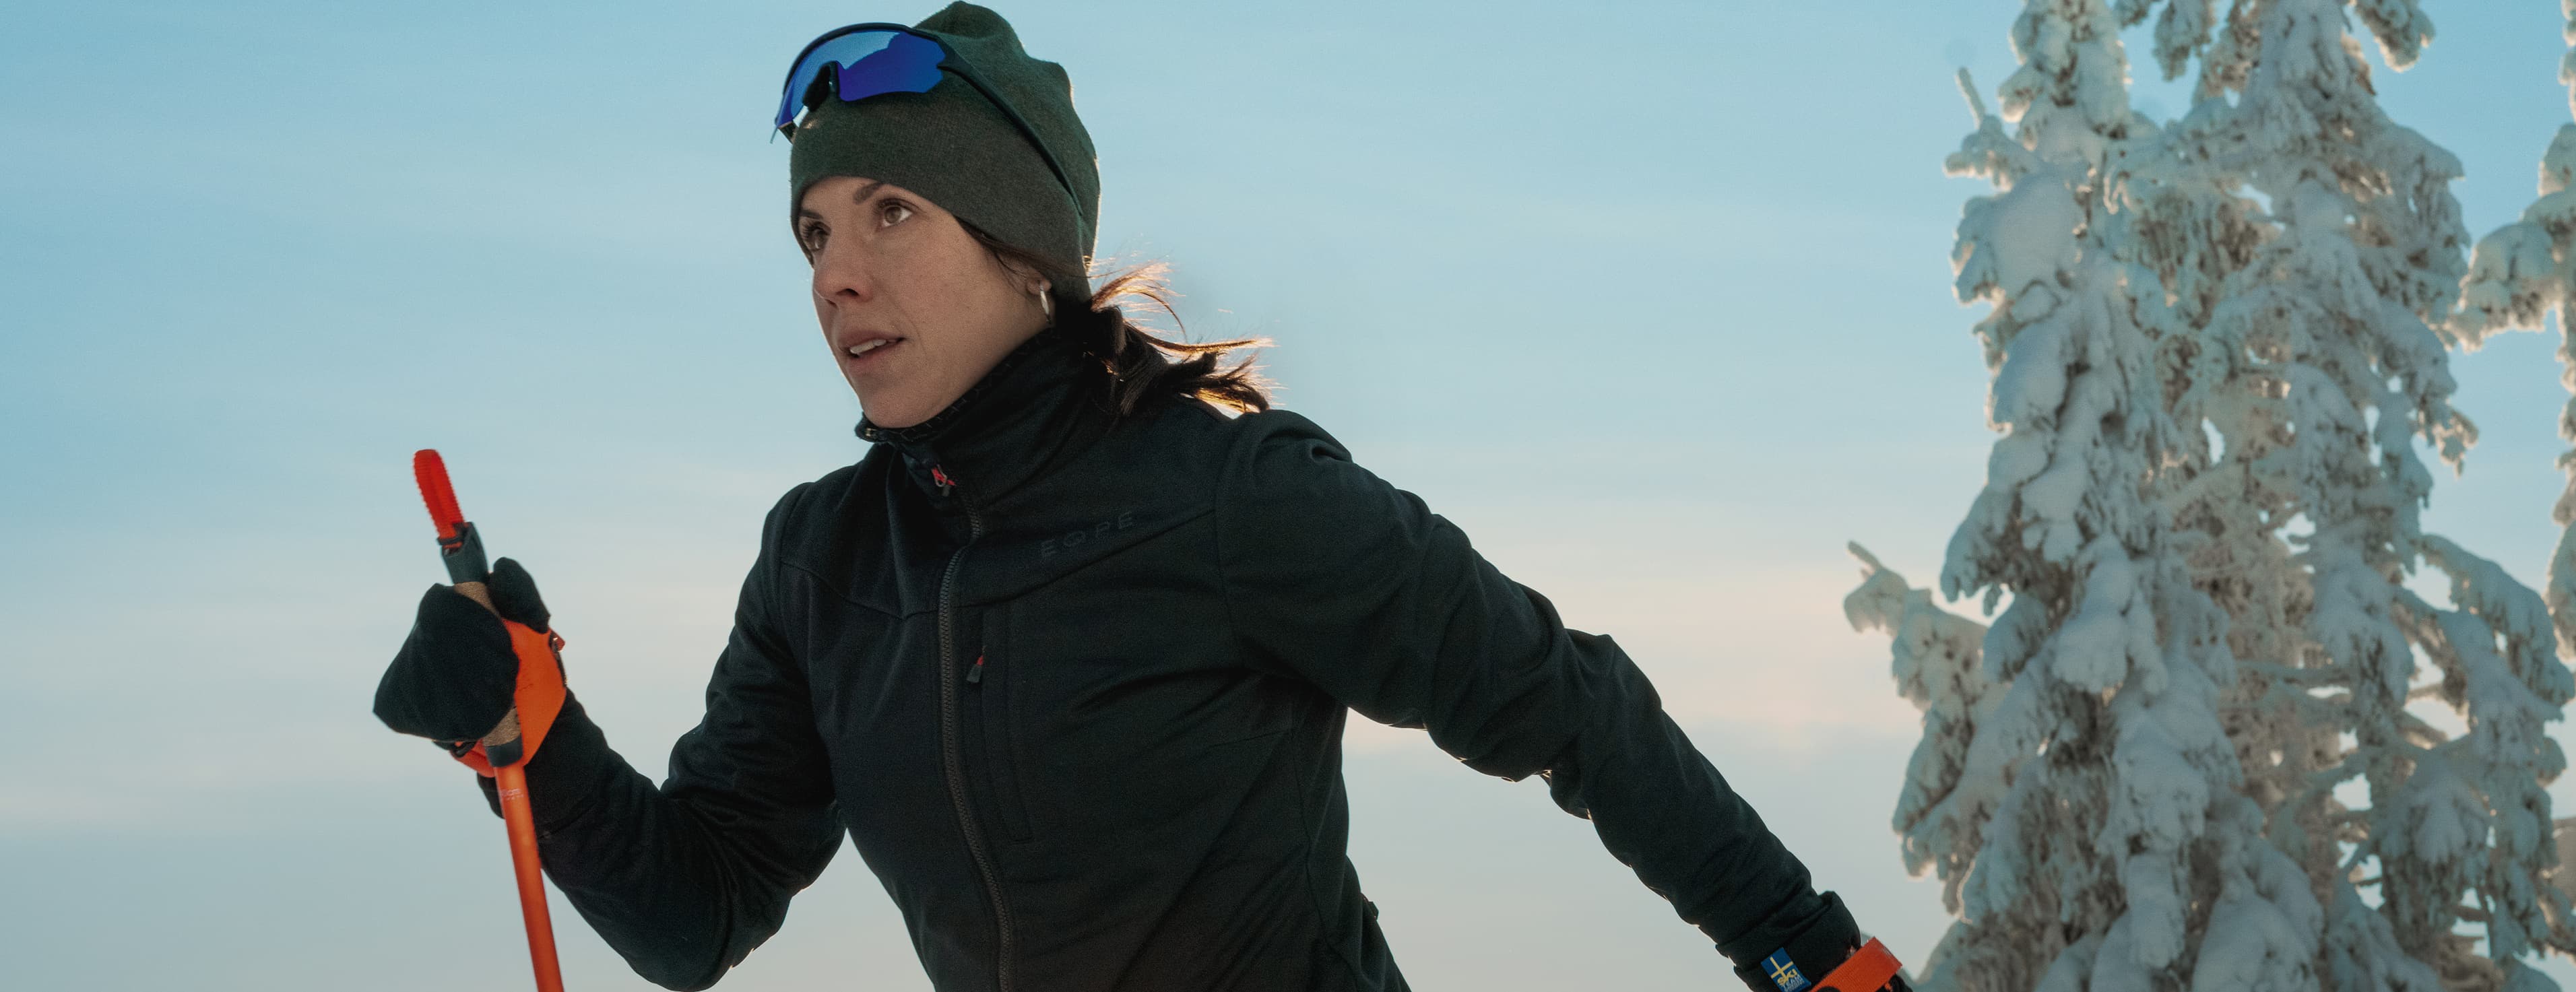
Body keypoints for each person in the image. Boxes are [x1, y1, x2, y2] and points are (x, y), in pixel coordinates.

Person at [372, 5, 1910, 991]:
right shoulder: (825, 562)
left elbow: (1567, 703)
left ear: (1025, 247)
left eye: (891, 210)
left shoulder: (1228, 492)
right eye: (815, 231)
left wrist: (1812, 960)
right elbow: (697, 911)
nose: (837, 272)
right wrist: (535, 739)